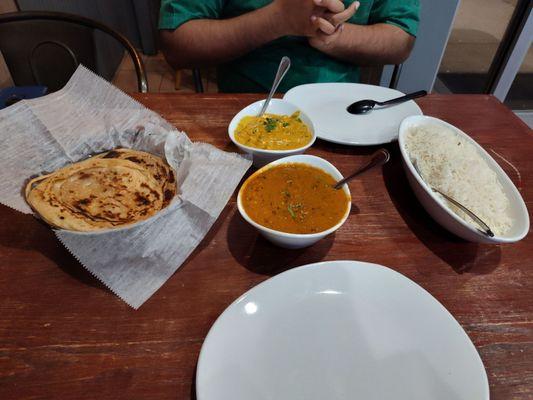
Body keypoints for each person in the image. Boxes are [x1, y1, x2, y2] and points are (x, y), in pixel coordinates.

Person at [159, 0, 419, 93]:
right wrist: (279, 19)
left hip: (343, 109)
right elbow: (177, 44)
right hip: (242, 107)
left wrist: (333, 36)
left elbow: (401, 41)